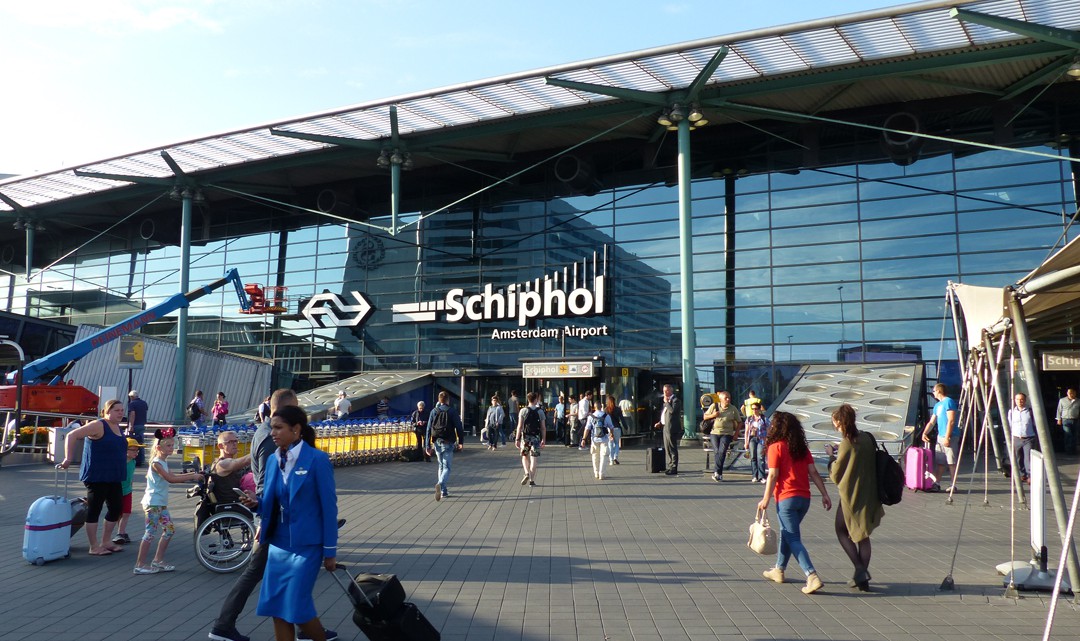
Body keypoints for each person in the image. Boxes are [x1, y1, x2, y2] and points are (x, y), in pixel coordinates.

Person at [212, 388, 339, 641]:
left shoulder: (317, 460)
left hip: (307, 545)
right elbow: (268, 501)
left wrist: (330, 551)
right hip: (278, 542)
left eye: (278, 428)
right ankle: (225, 626)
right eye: (272, 427)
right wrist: (255, 504)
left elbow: (329, 507)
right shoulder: (273, 460)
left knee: (297, 607)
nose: (272, 433)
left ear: (296, 429)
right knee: (277, 609)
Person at [757, 411, 832, 595]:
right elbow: (813, 473)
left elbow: (773, 475)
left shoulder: (776, 447)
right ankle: (779, 570)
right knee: (787, 533)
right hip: (804, 499)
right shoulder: (801, 449)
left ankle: (811, 575)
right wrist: (825, 494)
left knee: (792, 537)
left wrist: (766, 498)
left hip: (786, 498)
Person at [60, 399, 128, 556]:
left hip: (113, 475)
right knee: (95, 509)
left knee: (116, 508)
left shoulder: (117, 427)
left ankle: (106, 541)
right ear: (107, 412)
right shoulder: (98, 425)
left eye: (122, 410)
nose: (120, 413)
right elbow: (72, 435)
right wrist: (68, 458)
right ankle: (93, 545)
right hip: (97, 475)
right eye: (117, 410)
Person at [134, 427, 205, 574]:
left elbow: (174, 475)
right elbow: (171, 479)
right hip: (153, 503)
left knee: (169, 530)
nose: (171, 448)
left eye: (172, 445)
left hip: (159, 503)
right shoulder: (156, 463)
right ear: (159, 447)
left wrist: (193, 473)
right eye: (168, 445)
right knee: (150, 533)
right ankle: (140, 564)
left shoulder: (163, 462)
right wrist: (192, 476)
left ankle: (158, 560)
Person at [828, 403, 883, 592]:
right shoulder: (867, 438)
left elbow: (836, 474)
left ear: (841, 422)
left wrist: (830, 457)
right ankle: (862, 579)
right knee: (862, 535)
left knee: (841, 530)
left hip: (851, 496)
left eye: (835, 422)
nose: (835, 426)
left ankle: (860, 570)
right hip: (869, 493)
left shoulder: (846, 443)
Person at [426, 390, 465, 501]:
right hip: (448, 442)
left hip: (436, 442)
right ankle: (440, 483)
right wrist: (461, 442)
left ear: (439, 400)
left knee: (441, 466)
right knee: (447, 467)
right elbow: (459, 427)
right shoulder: (452, 411)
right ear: (448, 400)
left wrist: (427, 445)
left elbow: (428, 428)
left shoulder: (434, 411)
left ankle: (444, 491)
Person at [921, 383, 958, 484]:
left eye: (934, 391)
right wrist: (924, 433)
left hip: (950, 436)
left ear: (938, 391)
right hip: (940, 436)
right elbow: (932, 422)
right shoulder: (937, 405)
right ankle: (936, 483)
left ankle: (953, 485)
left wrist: (947, 437)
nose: (933, 393)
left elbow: (951, 420)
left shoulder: (948, 402)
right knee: (940, 462)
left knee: (951, 462)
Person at [703, 391, 742, 482]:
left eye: (729, 398)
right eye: (726, 398)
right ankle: (718, 473)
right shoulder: (714, 406)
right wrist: (713, 415)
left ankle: (717, 472)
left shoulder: (733, 409)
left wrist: (736, 433)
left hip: (727, 433)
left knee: (722, 451)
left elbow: (739, 422)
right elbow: (705, 416)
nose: (728, 399)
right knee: (717, 451)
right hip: (715, 432)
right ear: (721, 399)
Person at [112, 437, 142, 545]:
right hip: (117, 490)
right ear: (125, 450)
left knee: (126, 513)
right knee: (119, 513)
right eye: (133, 450)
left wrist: (131, 486)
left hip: (128, 491)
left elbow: (131, 477)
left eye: (137, 450)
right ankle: (121, 532)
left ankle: (121, 532)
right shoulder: (119, 462)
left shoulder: (133, 462)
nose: (136, 453)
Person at [515, 391, 546, 486]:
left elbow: (519, 426)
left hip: (526, 438)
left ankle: (526, 473)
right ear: (536, 399)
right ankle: (532, 481)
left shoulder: (523, 411)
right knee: (534, 458)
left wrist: (517, 439)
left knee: (524, 456)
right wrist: (543, 439)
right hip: (536, 437)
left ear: (528, 399)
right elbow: (543, 427)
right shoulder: (540, 411)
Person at [212, 430, 251, 498]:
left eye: (235, 441)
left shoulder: (228, 462)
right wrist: (259, 450)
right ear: (221, 446)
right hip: (230, 504)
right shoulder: (221, 464)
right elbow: (246, 460)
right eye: (230, 442)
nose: (234, 444)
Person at [582, 399, 614, 480]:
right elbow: (611, 427)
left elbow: (587, 429)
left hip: (594, 439)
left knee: (595, 456)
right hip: (604, 439)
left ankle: (596, 473)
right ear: (601, 406)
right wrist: (611, 434)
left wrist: (583, 439)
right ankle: (601, 474)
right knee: (604, 456)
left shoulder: (591, 417)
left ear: (594, 407)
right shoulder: (606, 416)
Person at [1008, 392, 1037, 483]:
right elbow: (1010, 424)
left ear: (1025, 400)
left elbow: (1035, 424)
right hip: (1016, 437)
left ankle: (1030, 475)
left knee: (1028, 457)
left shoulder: (1030, 411)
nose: (1020, 401)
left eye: (1022, 399)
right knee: (1018, 457)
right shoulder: (1011, 412)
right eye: (1018, 399)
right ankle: (1022, 474)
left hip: (1028, 437)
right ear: (1015, 400)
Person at [654, 384, 681, 475]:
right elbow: (666, 414)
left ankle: (674, 467)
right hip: (665, 427)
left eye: (667, 391)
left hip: (671, 428)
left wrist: (666, 403)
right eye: (664, 391)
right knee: (667, 447)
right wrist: (660, 422)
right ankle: (670, 466)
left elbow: (672, 411)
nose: (665, 393)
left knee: (672, 447)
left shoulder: (675, 400)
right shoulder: (667, 402)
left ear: (671, 391)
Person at [745, 402, 769, 483]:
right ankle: (754, 475)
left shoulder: (764, 419)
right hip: (752, 439)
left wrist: (767, 441)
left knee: (761, 457)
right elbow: (747, 431)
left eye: (756, 409)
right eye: (753, 409)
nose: (754, 410)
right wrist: (746, 442)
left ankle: (762, 476)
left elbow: (768, 430)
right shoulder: (749, 419)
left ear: (759, 409)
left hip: (761, 439)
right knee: (753, 457)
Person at [126, 390, 149, 467]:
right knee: (141, 442)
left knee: (132, 442)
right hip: (142, 425)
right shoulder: (144, 403)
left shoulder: (132, 404)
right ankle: (141, 459)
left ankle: (133, 458)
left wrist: (131, 426)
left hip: (135, 425)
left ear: (132, 397)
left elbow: (132, 414)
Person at [1056, 388, 1078, 456]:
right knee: (1068, 434)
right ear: (1067, 393)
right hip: (1066, 420)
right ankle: (1068, 450)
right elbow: (1059, 410)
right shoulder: (1062, 400)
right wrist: (1059, 419)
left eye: (1072, 393)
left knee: (1075, 435)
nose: (1071, 395)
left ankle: (1073, 449)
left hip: (1075, 420)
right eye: (1069, 393)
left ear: (1075, 393)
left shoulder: (1078, 401)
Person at [605, 395, 623, 465]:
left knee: (610, 444)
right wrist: (625, 426)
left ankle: (611, 460)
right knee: (617, 443)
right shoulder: (618, 409)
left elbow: (604, 419)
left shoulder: (606, 410)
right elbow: (622, 419)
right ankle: (616, 456)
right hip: (617, 428)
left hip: (609, 429)